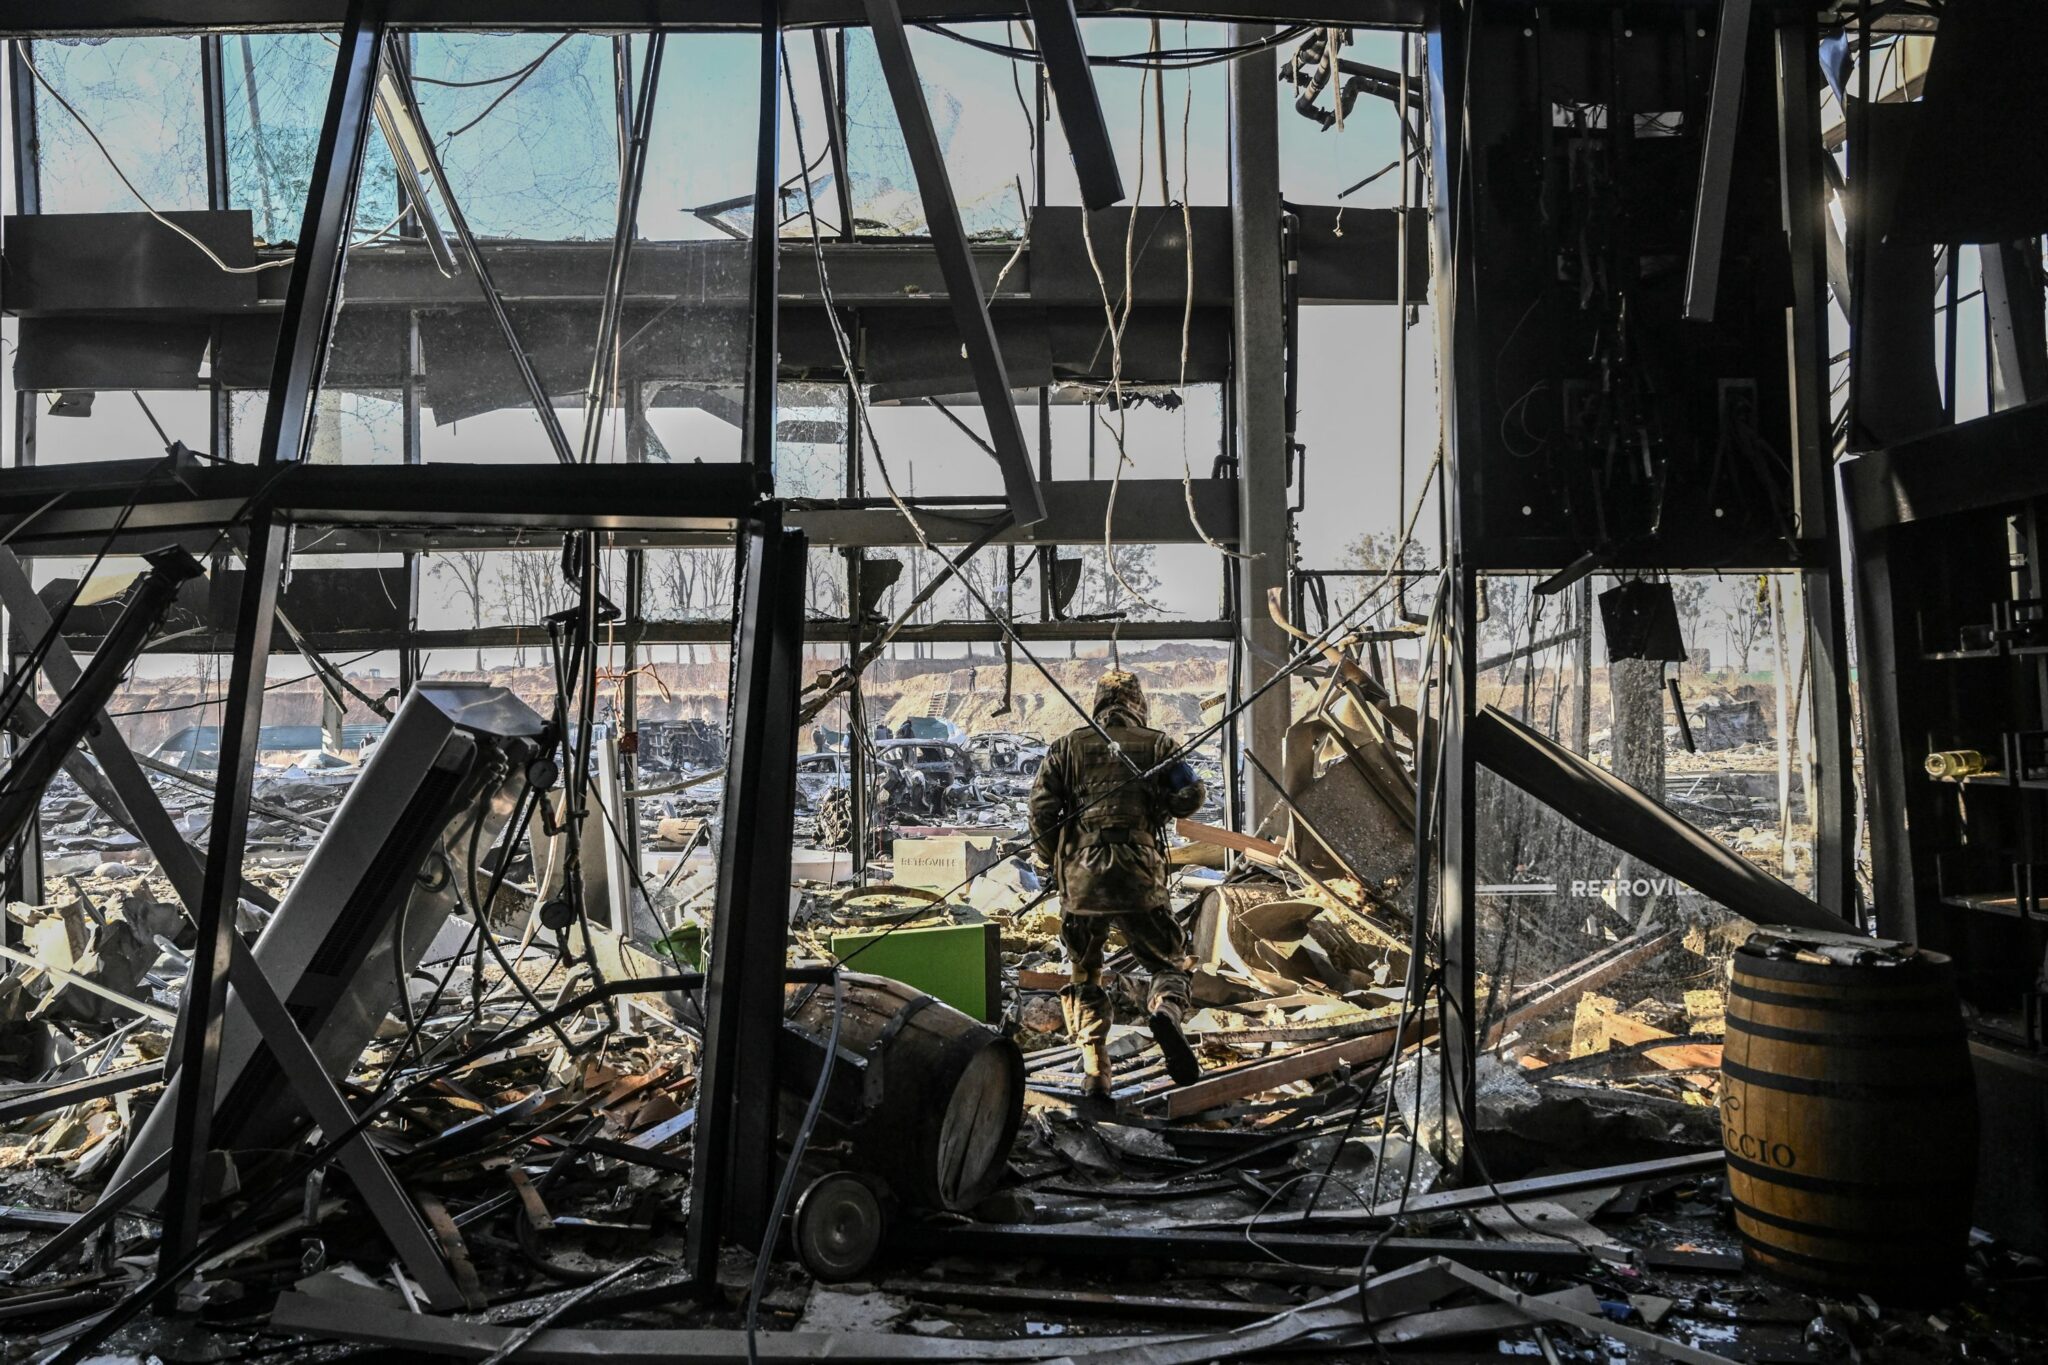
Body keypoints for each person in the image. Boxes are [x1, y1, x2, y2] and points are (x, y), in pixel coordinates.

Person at [1028, 670, 1206, 1099]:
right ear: (1137, 701)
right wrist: (1158, 803)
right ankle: (1164, 1009)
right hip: (1139, 874)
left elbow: (1040, 813)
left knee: (1086, 973)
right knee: (1167, 961)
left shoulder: (1067, 746)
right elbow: (1192, 796)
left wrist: (1058, 860)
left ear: (1098, 701)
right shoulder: (1158, 744)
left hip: (1082, 879)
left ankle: (1096, 1071)